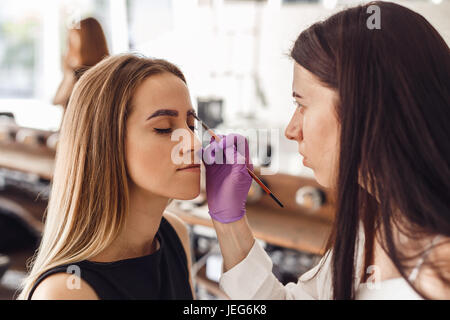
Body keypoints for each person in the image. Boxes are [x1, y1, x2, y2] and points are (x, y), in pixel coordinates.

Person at [202, 1, 450, 299]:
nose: (291, 131)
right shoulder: (373, 226)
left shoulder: (438, 277)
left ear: (366, 107)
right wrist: (229, 223)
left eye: (302, 104)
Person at [17, 54, 201, 300]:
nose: (193, 143)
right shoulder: (66, 292)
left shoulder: (173, 234)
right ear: (106, 144)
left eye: (191, 125)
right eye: (164, 128)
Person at [53, 17, 109, 109]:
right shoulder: (74, 73)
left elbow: (58, 101)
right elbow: (56, 101)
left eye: (71, 44)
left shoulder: (100, 77)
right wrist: (68, 74)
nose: (69, 51)